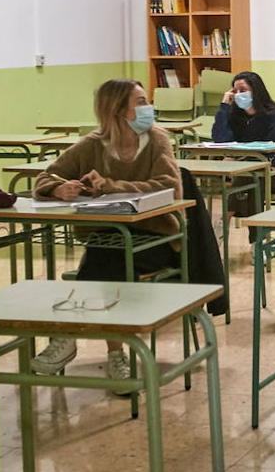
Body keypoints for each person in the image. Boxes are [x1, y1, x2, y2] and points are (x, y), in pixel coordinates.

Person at [30, 79, 182, 391]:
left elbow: (170, 186)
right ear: (117, 111)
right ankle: (116, 356)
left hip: (157, 238)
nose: (147, 107)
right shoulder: (91, 145)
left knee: (105, 256)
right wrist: (58, 188)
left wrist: (113, 186)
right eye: (140, 102)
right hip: (110, 239)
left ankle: (68, 336)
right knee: (107, 254)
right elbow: (44, 176)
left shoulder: (156, 141)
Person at [211, 71, 275, 224]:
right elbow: (220, 140)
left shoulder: (273, 114)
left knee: (253, 177)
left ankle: (224, 222)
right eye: (235, 91)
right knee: (251, 177)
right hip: (247, 171)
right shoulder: (235, 114)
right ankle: (256, 238)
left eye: (243, 90)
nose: (238, 94)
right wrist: (224, 107)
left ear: (256, 91)